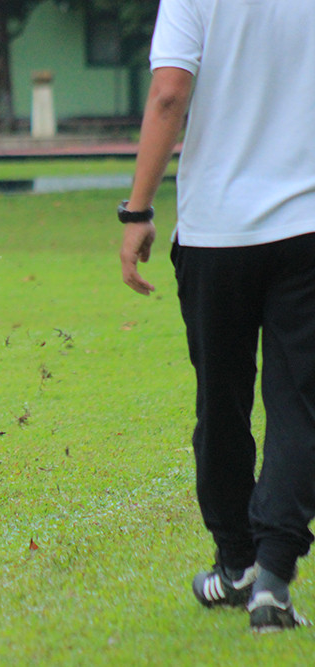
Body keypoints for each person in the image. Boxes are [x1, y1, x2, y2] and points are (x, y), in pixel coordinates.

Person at [119, 0, 315, 633]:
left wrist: (137, 210)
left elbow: (169, 93)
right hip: (307, 230)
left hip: (216, 234)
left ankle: (236, 565)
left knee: (221, 403)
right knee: (300, 404)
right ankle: (274, 580)